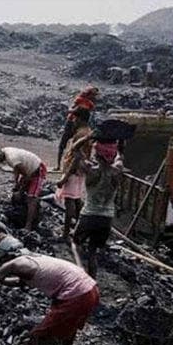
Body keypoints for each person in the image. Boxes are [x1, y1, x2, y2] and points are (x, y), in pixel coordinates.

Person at [70, 134, 123, 278]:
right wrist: (117, 141)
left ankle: (80, 272)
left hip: (89, 214)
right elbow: (119, 154)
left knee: (75, 243)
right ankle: (92, 279)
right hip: (107, 218)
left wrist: (89, 136)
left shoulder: (91, 168)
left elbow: (74, 150)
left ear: (97, 153)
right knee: (93, 250)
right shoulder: (117, 169)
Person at [0, 146, 46, 231]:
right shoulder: (7, 152)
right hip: (29, 170)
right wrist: (16, 183)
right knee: (17, 194)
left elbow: (27, 175)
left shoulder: (11, 157)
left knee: (31, 198)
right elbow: (17, 169)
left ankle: (28, 225)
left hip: (37, 169)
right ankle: (21, 213)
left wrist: (21, 190)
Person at [56, 108, 93, 239]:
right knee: (76, 199)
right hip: (80, 171)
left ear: (80, 119)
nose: (73, 121)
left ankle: (66, 233)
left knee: (69, 201)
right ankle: (78, 229)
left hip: (74, 170)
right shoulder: (87, 132)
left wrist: (65, 177)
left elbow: (76, 157)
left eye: (75, 118)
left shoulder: (80, 134)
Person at [56, 86, 99, 170]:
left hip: (81, 123)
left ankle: (81, 163)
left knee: (81, 144)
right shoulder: (79, 100)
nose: (94, 97)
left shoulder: (90, 104)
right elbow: (72, 108)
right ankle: (58, 165)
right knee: (64, 142)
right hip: (72, 122)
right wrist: (76, 111)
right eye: (93, 95)